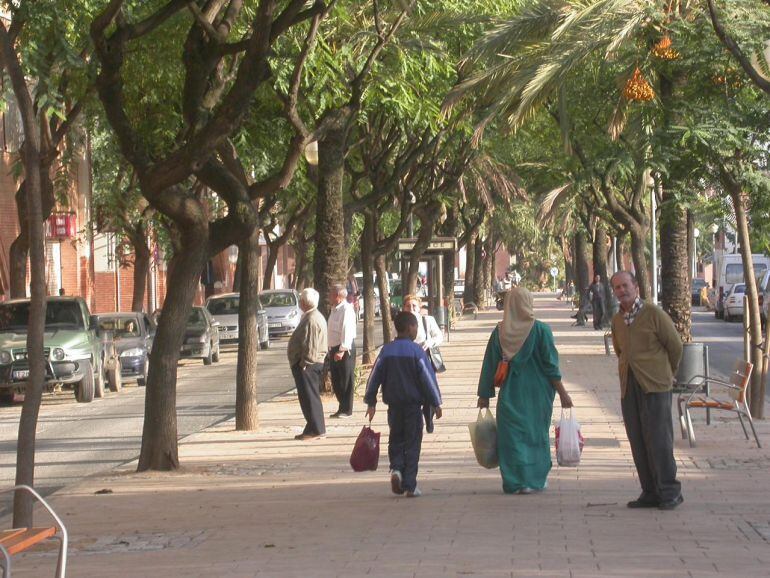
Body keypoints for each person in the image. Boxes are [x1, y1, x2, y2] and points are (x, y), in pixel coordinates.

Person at [477, 288, 573, 495]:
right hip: (538, 394)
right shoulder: (541, 331)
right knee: (536, 434)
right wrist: (564, 394)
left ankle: (514, 481)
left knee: (511, 437)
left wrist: (484, 395)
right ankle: (534, 479)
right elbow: (551, 367)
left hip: (511, 394)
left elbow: (489, 365)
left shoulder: (500, 332)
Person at [610, 271, 684, 510]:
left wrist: (666, 373)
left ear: (636, 287)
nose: (622, 291)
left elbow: (675, 346)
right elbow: (620, 350)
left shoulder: (653, 314)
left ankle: (670, 491)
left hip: (656, 385)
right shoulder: (617, 320)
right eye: (617, 288)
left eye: (625, 285)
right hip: (629, 386)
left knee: (659, 439)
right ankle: (650, 491)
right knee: (638, 439)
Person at [364, 311, 443, 498]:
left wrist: (371, 401)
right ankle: (409, 484)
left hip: (394, 407)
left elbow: (374, 377)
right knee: (413, 443)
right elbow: (428, 379)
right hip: (413, 407)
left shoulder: (386, 351)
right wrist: (436, 402)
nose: (417, 330)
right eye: (416, 327)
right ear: (410, 328)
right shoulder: (417, 352)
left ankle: (396, 469)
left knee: (396, 439)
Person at [287, 288, 328, 441]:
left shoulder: (312, 319)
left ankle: (317, 429)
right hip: (308, 364)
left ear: (304, 302)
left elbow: (311, 345)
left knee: (310, 397)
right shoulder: (311, 316)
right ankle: (312, 426)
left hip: (309, 365)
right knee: (307, 397)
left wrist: (305, 363)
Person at [327, 284, 357, 418]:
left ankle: (347, 409)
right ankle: (341, 407)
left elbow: (347, 330)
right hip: (334, 348)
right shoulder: (334, 309)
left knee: (346, 379)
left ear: (337, 296)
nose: (328, 297)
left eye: (330, 294)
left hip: (344, 348)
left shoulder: (346, 309)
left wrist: (342, 349)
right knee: (336, 380)